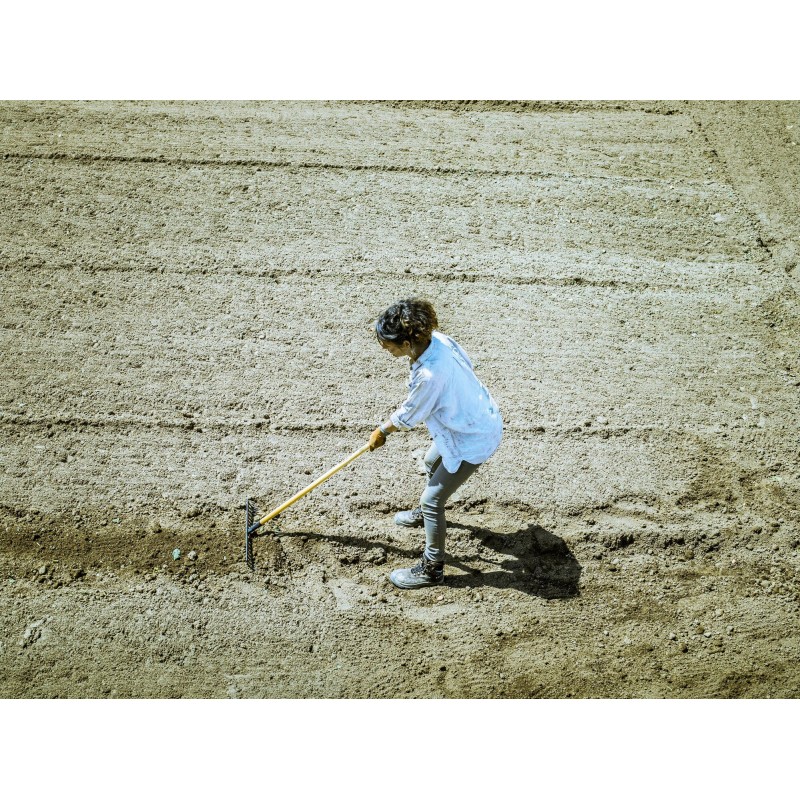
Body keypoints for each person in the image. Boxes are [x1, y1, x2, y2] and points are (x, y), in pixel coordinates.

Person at [369, 297, 503, 589]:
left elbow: (410, 413)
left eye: (387, 345)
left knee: (431, 501)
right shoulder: (437, 340)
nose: (384, 348)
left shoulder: (429, 375)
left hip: (473, 435)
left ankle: (432, 569)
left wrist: (382, 431)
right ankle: (427, 517)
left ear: (407, 343)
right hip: (470, 419)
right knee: (431, 461)